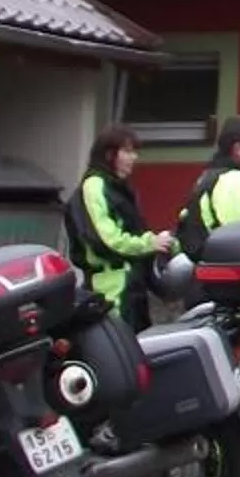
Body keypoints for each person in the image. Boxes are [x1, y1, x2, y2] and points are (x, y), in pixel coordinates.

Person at [65, 127, 172, 329]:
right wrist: (150, 243)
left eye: (135, 152)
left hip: (130, 284)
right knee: (121, 342)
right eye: (128, 151)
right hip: (111, 289)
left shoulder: (117, 188)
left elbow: (133, 231)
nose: (134, 158)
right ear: (109, 154)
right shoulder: (95, 186)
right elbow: (106, 239)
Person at [178, 115, 240, 256]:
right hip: (228, 263)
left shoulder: (213, 175)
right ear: (238, 149)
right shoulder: (235, 180)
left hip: (207, 260)